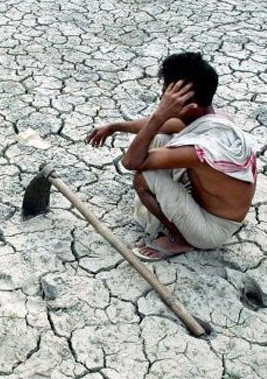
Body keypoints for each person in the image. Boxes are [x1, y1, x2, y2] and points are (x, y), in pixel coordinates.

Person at [86, 52, 257, 261]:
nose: (161, 100)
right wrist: (115, 127)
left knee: (143, 178)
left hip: (211, 230)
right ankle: (179, 221)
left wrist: (161, 113)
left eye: (166, 98)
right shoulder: (211, 117)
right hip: (211, 207)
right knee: (161, 138)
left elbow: (130, 162)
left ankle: (180, 239)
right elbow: (164, 126)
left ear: (190, 106)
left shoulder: (199, 150)